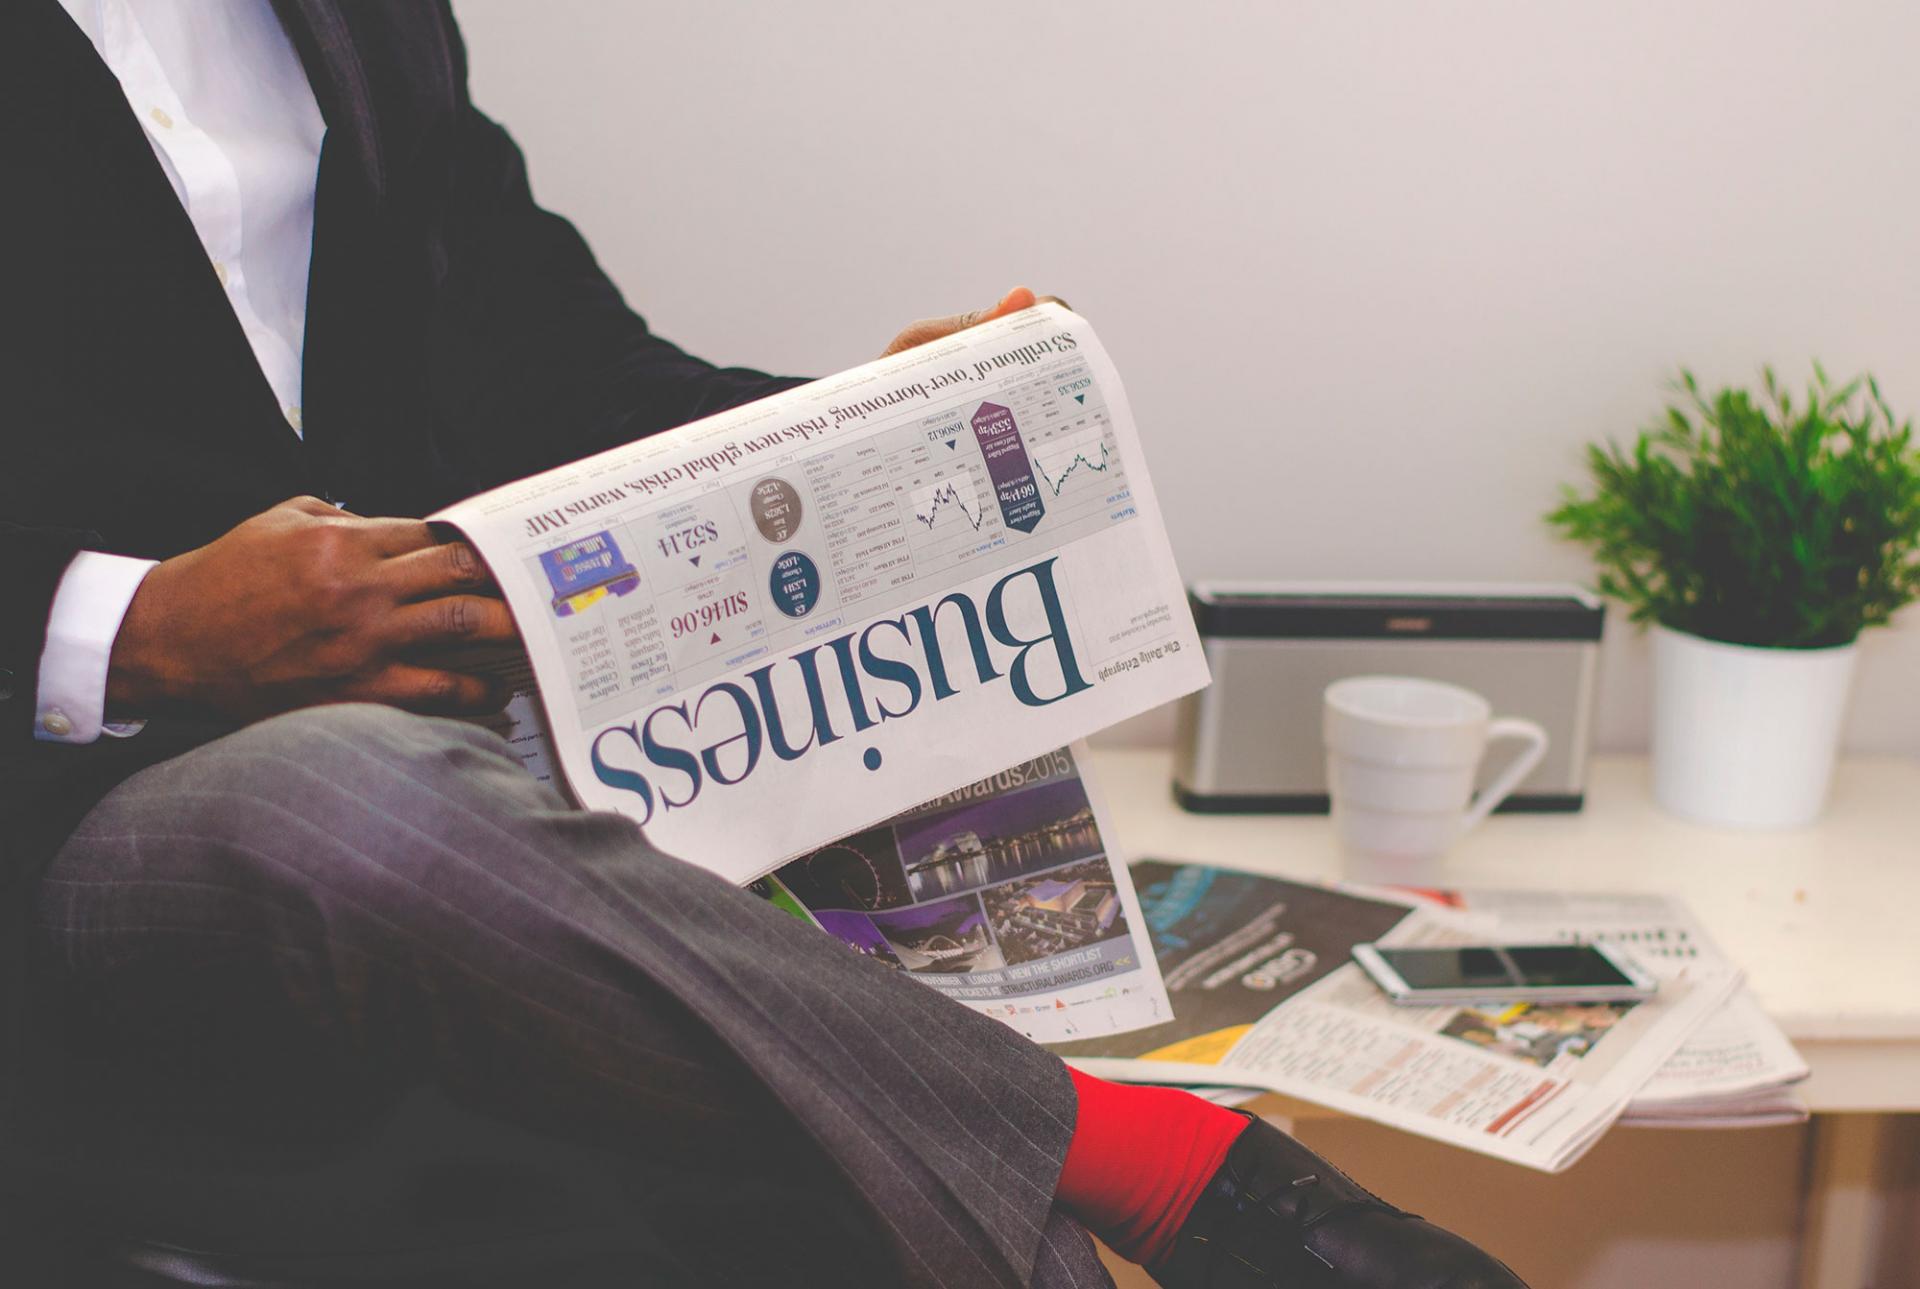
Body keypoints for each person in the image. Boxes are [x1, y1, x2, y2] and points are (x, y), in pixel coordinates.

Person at [0, 3, 1529, 1285]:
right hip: (92, 816)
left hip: (488, 808)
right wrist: (130, 634)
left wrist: (862, 430)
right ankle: (1196, 1175)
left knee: (856, 1178)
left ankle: (1156, 1189)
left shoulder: (357, 16)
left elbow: (555, 375)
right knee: (345, 798)